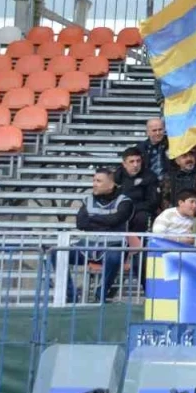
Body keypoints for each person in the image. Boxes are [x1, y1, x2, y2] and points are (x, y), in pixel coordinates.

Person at [72, 167, 133, 300]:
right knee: (54, 254)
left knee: (114, 258)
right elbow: (81, 223)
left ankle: (101, 293)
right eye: (94, 180)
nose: (94, 184)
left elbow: (115, 220)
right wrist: (106, 223)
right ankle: (71, 295)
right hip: (88, 246)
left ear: (111, 185)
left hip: (113, 245)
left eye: (98, 181)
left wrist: (92, 218)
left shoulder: (124, 201)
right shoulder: (88, 200)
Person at [113, 147, 160, 232]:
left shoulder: (150, 177)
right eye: (131, 161)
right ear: (124, 164)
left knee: (143, 217)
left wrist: (131, 209)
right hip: (119, 210)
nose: (135, 165)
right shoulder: (117, 176)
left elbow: (153, 202)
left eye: (138, 161)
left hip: (140, 212)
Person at [135, 118, 170, 183]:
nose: (158, 133)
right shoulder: (140, 148)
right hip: (148, 183)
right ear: (147, 132)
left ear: (164, 130)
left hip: (169, 183)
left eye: (160, 129)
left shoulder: (172, 145)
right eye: (154, 130)